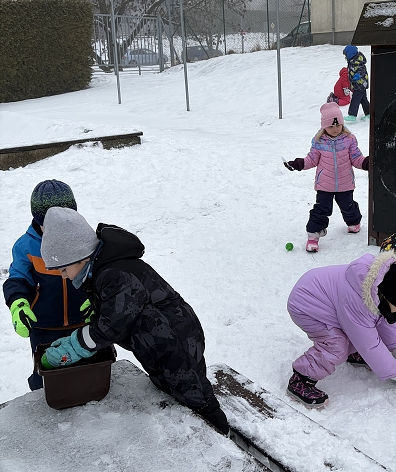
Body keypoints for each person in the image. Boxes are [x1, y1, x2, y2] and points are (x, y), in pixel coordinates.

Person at [39, 207, 230, 435]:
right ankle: (192, 427)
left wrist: (76, 345)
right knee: (169, 386)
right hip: (154, 343)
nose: (63, 276)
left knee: (194, 392)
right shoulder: (101, 270)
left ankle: (220, 431)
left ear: (80, 257)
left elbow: (111, 327)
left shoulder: (114, 275)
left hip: (175, 341)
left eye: (63, 269)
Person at [286, 252, 396, 407]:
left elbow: (384, 321)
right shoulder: (358, 301)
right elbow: (368, 344)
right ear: (388, 298)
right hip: (305, 305)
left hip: (325, 298)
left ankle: (353, 353)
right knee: (336, 345)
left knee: (357, 330)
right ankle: (301, 379)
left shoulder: (378, 286)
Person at [3, 180, 89, 391]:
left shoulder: (85, 238)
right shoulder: (26, 246)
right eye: (48, 224)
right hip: (44, 326)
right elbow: (18, 278)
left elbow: (98, 273)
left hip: (84, 322)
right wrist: (18, 303)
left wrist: (98, 299)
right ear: (37, 220)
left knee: (88, 370)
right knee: (46, 374)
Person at [283, 102, 369, 252]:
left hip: (345, 183)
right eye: (331, 126)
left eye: (338, 125)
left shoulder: (349, 140)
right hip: (324, 185)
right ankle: (313, 235)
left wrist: (367, 163)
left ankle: (354, 223)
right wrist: (298, 164)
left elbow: (356, 158)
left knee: (348, 206)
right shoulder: (319, 142)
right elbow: (311, 159)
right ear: (324, 127)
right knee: (321, 210)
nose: (335, 129)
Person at [342, 45, 370, 122]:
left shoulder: (357, 62)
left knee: (355, 99)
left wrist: (357, 75)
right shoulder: (352, 61)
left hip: (360, 84)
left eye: (346, 55)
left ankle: (352, 115)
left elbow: (361, 70)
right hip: (358, 84)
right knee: (363, 99)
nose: (345, 57)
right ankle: (369, 114)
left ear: (350, 54)